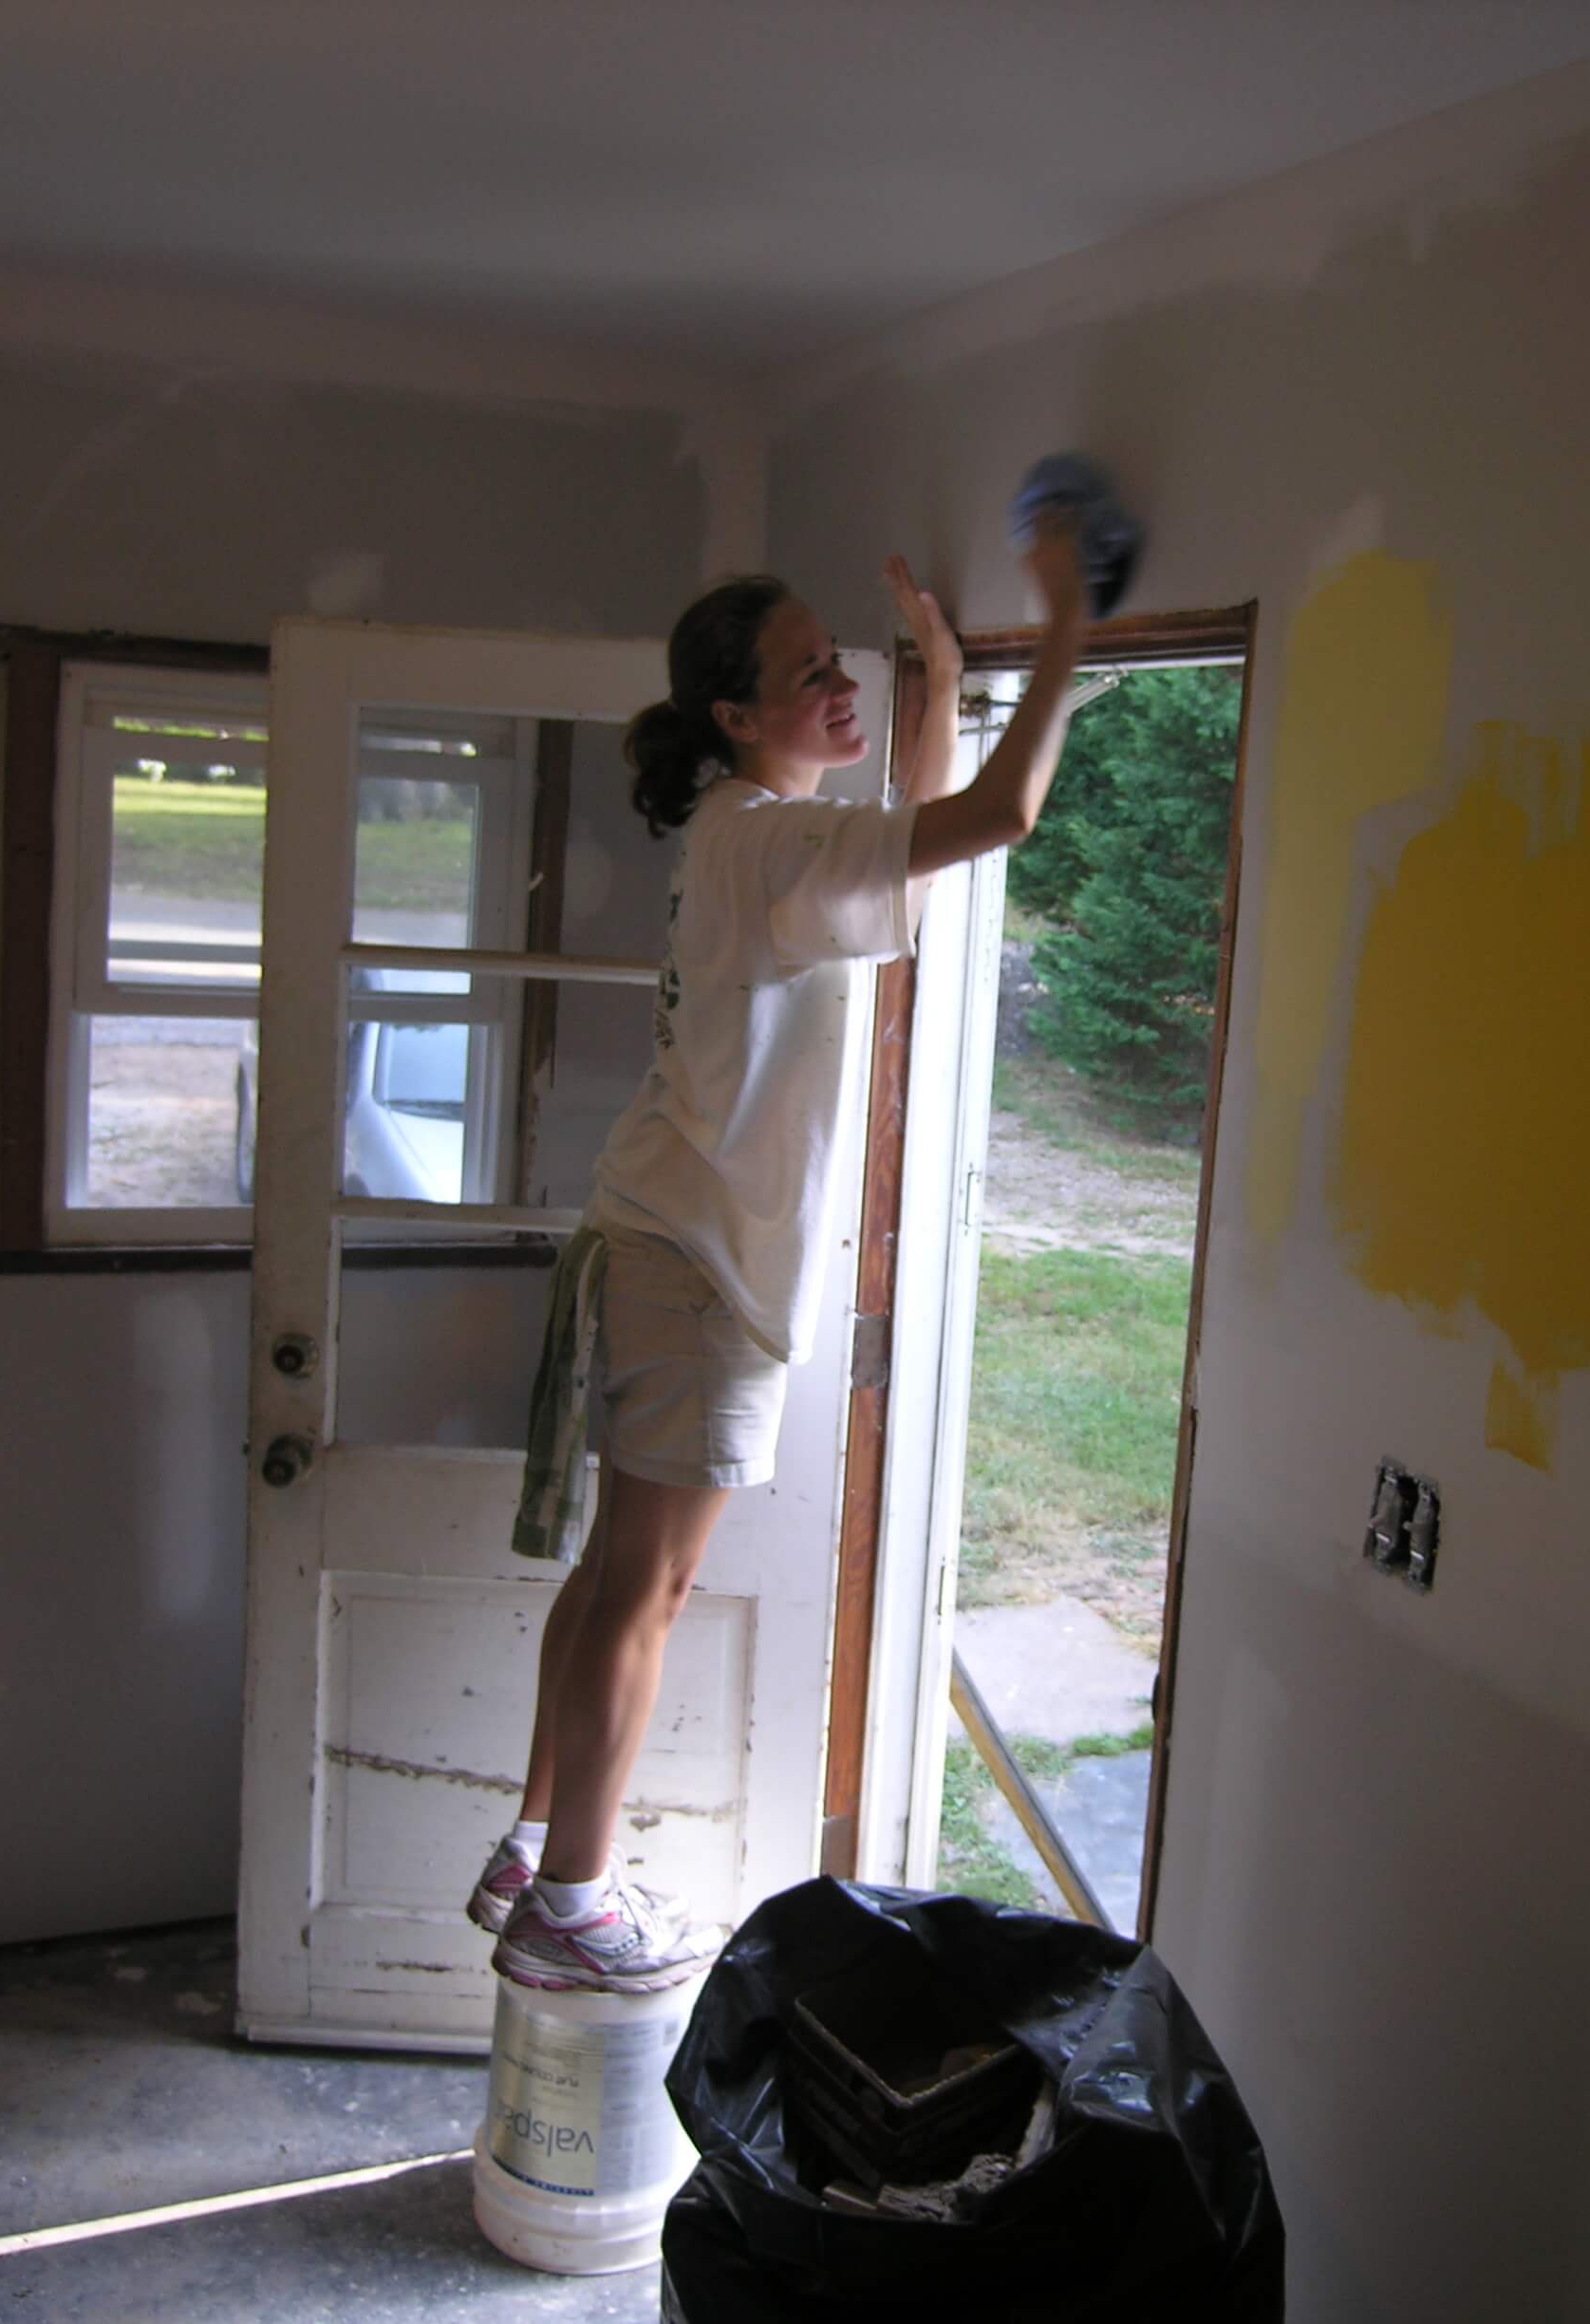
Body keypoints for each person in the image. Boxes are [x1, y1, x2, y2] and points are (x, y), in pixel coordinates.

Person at [468, 520, 1094, 1995]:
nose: (838, 687)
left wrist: (937, 679)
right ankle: (569, 1899)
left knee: (621, 1572)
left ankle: (536, 1838)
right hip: (693, 1263)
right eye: (806, 675)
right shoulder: (767, 839)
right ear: (737, 718)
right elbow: (997, 818)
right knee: (650, 1591)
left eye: (840, 664)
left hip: (666, 1236)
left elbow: (904, 850)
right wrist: (1063, 633)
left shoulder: (753, 838)